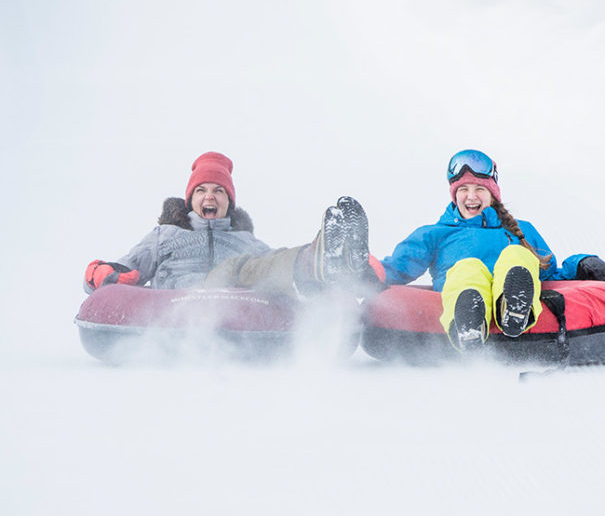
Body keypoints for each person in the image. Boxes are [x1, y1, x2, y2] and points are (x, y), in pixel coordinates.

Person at [379, 149, 605, 350]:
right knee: (468, 269)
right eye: (463, 189)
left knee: (516, 255)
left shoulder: (521, 230)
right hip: (461, 287)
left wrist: (581, 264)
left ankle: (514, 308)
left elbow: (548, 274)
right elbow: (396, 268)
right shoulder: (434, 233)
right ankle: (469, 322)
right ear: (454, 194)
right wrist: (361, 268)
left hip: (515, 293)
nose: (471, 196)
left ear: (492, 194)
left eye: (479, 189)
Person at [84, 151, 371, 298]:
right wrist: (100, 272)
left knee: (267, 267)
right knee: (239, 267)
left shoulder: (243, 239)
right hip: (180, 301)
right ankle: (316, 259)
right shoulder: (165, 235)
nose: (210, 196)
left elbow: (273, 262)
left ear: (228, 202)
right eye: (201, 190)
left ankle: (330, 258)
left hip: (233, 308)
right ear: (191, 200)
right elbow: (128, 266)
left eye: (218, 191)